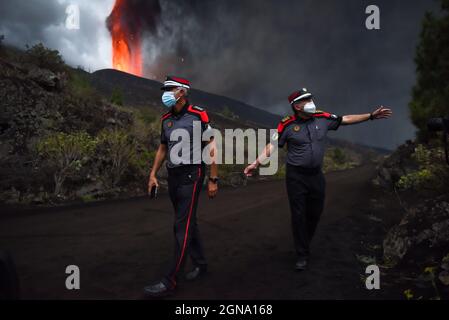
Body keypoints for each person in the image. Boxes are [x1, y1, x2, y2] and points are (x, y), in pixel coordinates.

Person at [244, 88, 392, 271]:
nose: (311, 102)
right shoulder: (287, 125)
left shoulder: (323, 118)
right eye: (306, 100)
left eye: (310, 98)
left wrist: (370, 116)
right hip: (296, 176)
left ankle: (304, 243)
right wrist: (256, 163)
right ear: (297, 106)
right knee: (298, 215)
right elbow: (272, 145)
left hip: (316, 176)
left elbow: (345, 119)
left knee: (314, 213)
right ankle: (302, 254)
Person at [144, 76, 219, 297]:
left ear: (181, 92)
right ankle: (201, 264)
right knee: (187, 222)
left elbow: (211, 144)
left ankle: (171, 280)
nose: (164, 93)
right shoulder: (166, 119)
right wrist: (152, 174)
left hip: (192, 175)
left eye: (169, 89)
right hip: (173, 176)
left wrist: (213, 179)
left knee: (181, 226)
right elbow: (162, 148)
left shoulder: (198, 114)